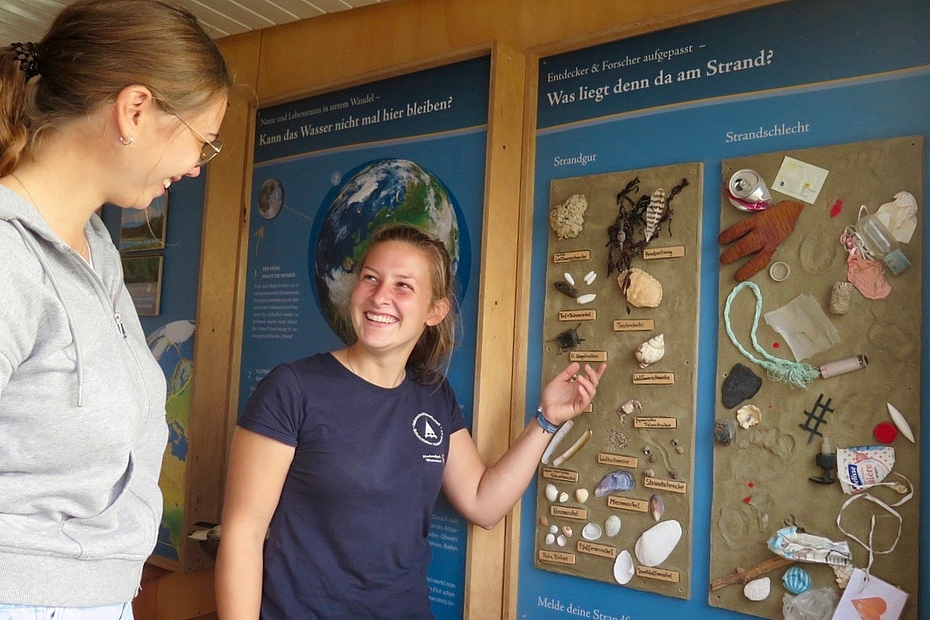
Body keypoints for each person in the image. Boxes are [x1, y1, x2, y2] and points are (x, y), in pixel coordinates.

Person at [216, 223, 607, 619]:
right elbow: (242, 535)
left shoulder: (433, 395)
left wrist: (547, 420)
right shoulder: (293, 388)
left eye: (403, 285)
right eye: (371, 278)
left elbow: (483, 504)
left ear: (435, 310)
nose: (380, 296)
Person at [0, 1, 231, 617]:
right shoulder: (7, 256)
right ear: (134, 111)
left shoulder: (97, 249)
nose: (194, 167)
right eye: (201, 144)